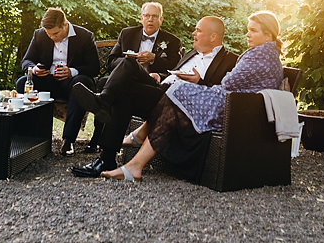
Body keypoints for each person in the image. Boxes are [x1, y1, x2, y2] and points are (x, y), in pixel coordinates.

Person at [100, 11, 284, 183]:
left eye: (253, 30)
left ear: (268, 35)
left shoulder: (258, 56)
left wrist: (199, 81)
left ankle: (133, 148)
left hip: (231, 108)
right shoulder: (267, 54)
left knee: (173, 94)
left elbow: (228, 82)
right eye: (247, 30)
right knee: (136, 76)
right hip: (229, 103)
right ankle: (133, 160)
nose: (247, 34)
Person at [70, 15, 237, 178]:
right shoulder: (193, 53)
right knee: (129, 64)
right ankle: (106, 156)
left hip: (179, 103)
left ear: (213, 36)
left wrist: (199, 82)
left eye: (198, 30)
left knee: (123, 93)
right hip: (161, 89)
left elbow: (220, 95)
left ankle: (103, 111)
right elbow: (174, 73)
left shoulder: (230, 61)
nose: (193, 33)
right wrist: (160, 75)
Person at [82, 2, 183, 153]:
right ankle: (100, 139)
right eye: (147, 16)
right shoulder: (127, 34)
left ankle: (101, 103)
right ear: (141, 18)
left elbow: (175, 69)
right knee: (107, 82)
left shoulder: (172, 41)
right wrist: (129, 62)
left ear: (161, 20)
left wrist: (155, 60)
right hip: (125, 80)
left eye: (154, 16)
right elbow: (111, 61)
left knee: (108, 87)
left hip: (150, 82)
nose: (150, 19)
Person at [18, 7, 100, 155]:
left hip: (73, 82)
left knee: (81, 84)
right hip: (48, 81)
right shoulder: (40, 35)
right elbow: (26, 61)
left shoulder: (85, 36)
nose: (52, 37)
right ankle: (25, 135)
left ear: (65, 24)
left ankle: (68, 140)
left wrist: (72, 71)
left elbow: (94, 67)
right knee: (22, 82)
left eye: (55, 33)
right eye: (49, 34)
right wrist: (34, 68)